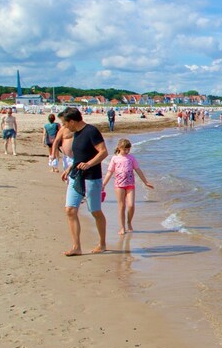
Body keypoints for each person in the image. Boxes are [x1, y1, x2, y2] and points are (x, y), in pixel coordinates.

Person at [58, 107, 109, 256]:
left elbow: (103, 151)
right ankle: (76, 247)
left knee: (95, 211)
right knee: (70, 210)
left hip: (92, 177)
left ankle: (102, 243)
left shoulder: (91, 131)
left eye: (65, 123)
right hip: (76, 176)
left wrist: (89, 164)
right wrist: (70, 168)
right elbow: (80, 155)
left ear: (72, 121)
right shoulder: (76, 133)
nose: (64, 127)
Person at [102, 138, 154, 235]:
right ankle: (122, 227)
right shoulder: (114, 158)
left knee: (131, 205)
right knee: (121, 206)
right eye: (125, 149)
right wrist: (103, 184)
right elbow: (109, 172)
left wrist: (145, 182)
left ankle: (129, 222)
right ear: (119, 148)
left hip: (130, 184)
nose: (127, 151)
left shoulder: (131, 158)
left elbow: (138, 170)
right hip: (119, 185)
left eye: (128, 149)